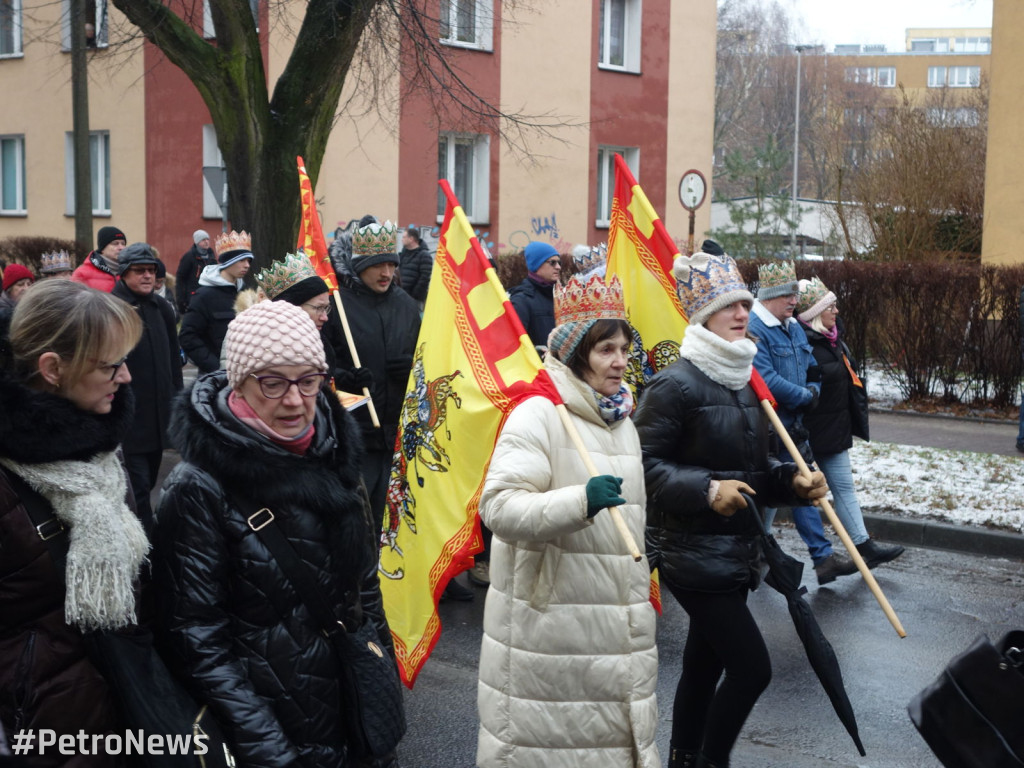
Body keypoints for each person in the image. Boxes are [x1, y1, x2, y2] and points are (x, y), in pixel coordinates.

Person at [152, 300, 398, 767]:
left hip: (354, 713)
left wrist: (379, 677)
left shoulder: (336, 448)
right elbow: (195, 639)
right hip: (271, 732)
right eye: (272, 382)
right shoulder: (200, 487)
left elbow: (364, 587)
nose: (293, 399)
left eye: (308, 381)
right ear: (238, 383)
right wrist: (266, 747)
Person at [634, 249, 829, 768]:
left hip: (735, 552)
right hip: (689, 551)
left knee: (704, 664)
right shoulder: (674, 385)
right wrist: (705, 490)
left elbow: (756, 472)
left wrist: (794, 482)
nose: (742, 313)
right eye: (728, 306)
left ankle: (683, 756)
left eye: (745, 303)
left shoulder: (742, 383)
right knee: (751, 669)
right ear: (702, 316)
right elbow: (641, 466)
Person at [477, 273, 659, 768]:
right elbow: (498, 507)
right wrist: (579, 502)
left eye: (624, 348)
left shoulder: (622, 421)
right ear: (578, 354)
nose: (620, 361)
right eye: (605, 350)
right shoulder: (538, 414)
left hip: (616, 627)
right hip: (550, 634)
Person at [0, 280, 147, 760]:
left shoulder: (99, 446)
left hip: (124, 696)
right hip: (38, 725)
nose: (125, 378)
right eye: (110, 365)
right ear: (52, 369)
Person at [748, 260, 857, 586]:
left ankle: (789, 556)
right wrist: (804, 396)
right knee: (788, 487)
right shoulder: (756, 329)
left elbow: (812, 366)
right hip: (770, 427)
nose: (794, 301)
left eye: (795, 295)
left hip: (795, 425)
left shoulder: (794, 326)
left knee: (797, 487)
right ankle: (776, 555)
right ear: (769, 297)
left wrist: (813, 390)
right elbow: (765, 378)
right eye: (787, 296)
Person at [797, 277, 904, 568]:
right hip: (805, 432)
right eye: (831, 306)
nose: (837, 311)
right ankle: (759, 544)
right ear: (815, 312)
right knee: (780, 495)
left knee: (844, 488)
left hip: (833, 430)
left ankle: (863, 546)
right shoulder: (802, 343)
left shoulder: (834, 340)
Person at [335, 221, 421, 526]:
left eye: (390, 264)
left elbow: (429, 362)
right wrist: (344, 379)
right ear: (359, 266)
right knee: (358, 520)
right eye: (377, 265)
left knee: (396, 522)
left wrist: (412, 367)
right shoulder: (337, 307)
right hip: (356, 438)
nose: (386, 273)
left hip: (400, 436)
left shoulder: (408, 306)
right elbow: (320, 369)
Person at [111, 242, 183, 532]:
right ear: (124, 274)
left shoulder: (162, 307)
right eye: (139, 271)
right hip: (130, 419)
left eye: (151, 271)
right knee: (138, 487)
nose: (147, 277)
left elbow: (174, 362)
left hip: (159, 416)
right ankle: (146, 550)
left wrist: (178, 404)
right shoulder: (113, 308)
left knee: (150, 479)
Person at [178, 230, 252, 373]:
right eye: (242, 260)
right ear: (228, 261)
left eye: (249, 261)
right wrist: (215, 367)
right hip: (216, 379)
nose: (247, 265)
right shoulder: (204, 296)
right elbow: (188, 337)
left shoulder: (247, 292)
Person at [509, 241, 561, 353]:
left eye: (559, 262)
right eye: (552, 263)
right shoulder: (521, 300)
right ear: (536, 265)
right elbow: (513, 343)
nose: (558, 267)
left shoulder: (559, 296)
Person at [0, 264, 34, 371]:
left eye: (29, 284)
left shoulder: (32, 308)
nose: (26, 288)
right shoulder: (3, 314)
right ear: (9, 289)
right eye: (20, 285)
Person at [71, 225, 126, 292]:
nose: (121, 248)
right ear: (102, 249)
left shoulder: (129, 271)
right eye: (115, 243)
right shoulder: (82, 274)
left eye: (123, 244)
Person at [175, 229, 215, 314]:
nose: (206, 242)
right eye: (203, 240)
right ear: (197, 242)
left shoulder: (212, 257)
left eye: (208, 239)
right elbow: (181, 278)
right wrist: (182, 299)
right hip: (193, 295)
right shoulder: (189, 257)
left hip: (209, 294)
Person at [397, 227, 432, 308]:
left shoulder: (424, 255)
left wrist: (415, 294)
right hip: (401, 296)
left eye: (404, 237)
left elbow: (425, 278)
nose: (402, 239)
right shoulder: (403, 254)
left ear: (411, 239)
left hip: (415, 299)